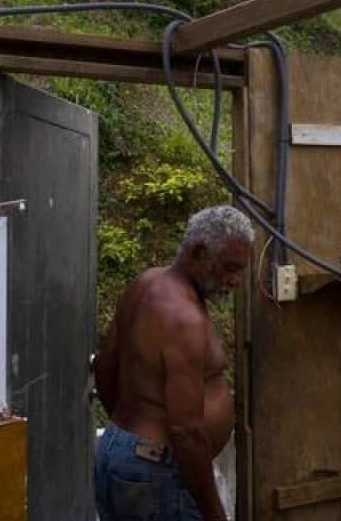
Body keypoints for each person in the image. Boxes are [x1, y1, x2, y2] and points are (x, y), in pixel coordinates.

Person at [93, 205, 254, 521]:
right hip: (157, 470)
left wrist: (130, 435)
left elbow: (105, 366)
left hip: (122, 450)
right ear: (198, 252)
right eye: (230, 267)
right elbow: (186, 431)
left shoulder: (145, 283)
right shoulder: (184, 319)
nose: (236, 281)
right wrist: (213, 512)